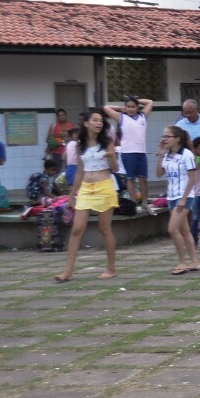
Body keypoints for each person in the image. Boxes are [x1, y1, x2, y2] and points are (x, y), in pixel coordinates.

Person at [54, 110, 120, 283]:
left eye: (100, 120)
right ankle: (67, 271)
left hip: (104, 186)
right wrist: (72, 195)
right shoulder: (79, 144)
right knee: (77, 229)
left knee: (104, 229)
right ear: (86, 123)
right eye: (95, 120)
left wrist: (112, 158)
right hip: (85, 188)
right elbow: (79, 171)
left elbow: (116, 168)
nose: (99, 123)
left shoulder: (107, 142)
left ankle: (111, 268)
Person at [158, 125, 200, 275]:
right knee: (184, 230)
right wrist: (160, 155)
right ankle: (195, 261)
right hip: (171, 196)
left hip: (184, 196)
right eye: (163, 136)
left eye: (167, 136)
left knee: (172, 229)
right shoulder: (168, 155)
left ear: (177, 139)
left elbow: (192, 177)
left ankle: (181, 262)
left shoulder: (187, 154)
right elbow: (158, 173)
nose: (164, 139)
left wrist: (183, 199)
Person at [103, 96, 154, 212]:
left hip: (141, 152)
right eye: (129, 107)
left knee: (143, 179)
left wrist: (137, 100)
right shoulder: (122, 118)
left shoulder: (142, 116)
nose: (131, 109)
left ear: (137, 108)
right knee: (131, 179)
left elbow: (150, 102)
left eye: (133, 107)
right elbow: (106, 108)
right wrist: (121, 108)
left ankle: (145, 202)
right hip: (128, 153)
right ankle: (133, 203)